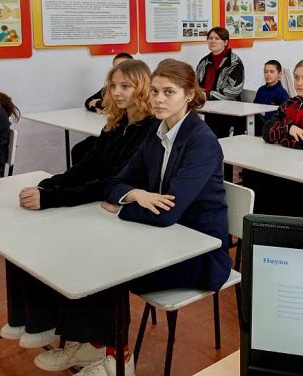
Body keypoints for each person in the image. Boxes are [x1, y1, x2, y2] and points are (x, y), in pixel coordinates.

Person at [32, 59, 231, 376]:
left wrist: (122, 207)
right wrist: (136, 194)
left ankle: (118, 358)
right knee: (85, 252)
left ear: (189, 95)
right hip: (162, 239)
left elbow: (167, 214)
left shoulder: (201, 141)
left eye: (169, 92)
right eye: (154, 91)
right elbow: (116, 182)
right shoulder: (157, 132)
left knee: (108, 269)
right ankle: (94, 342)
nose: (159, 99)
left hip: (200, 253)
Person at [0, 59, 157, 349]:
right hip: (102, 203)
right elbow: (88, 166)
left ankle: (73, 333)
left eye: (125, 86)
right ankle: (32, 318)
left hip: (125, 211)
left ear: (143, 88)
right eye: (113, 86)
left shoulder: (151, 130)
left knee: (72, 244)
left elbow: (112, 182)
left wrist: (51, 198)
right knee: (25, 230)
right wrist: (49, 185)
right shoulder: (117, 123)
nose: (117, 92)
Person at [243, 58, 303, 215]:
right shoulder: (291, 102)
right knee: (252, 174)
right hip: (284, 160)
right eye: (296, 78)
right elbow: (266, 131)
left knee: (276, 188)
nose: (299, 83)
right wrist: (289, 129)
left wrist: (279, 133)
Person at [72, 52, 135, 165]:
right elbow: (88, 101)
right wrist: (100, 104)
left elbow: (115, 106)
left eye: (123, 66)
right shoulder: (110, 88)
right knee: (79, 149)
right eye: (115, 67)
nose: (116, 93)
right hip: (113, 130)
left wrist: (100, 104)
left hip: (124, 136)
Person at [195, 26, 245, 141]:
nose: (212, 41)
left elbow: (234, 90)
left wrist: (208, 95)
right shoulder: (204, 62)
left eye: (217, 38)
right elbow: (195, 83)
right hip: (205, 107)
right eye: (210, 38)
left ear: (225, 42)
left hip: (227, 111)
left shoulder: (234, 62)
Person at [252, 59, 290, 134]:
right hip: (256, 122)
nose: (268, 74)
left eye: (272, 72)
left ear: (279, 74)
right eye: (265, 72)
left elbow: (285, 113)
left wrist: (265, 114)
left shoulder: (281, 92)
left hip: (270, 127)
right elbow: (254, 106)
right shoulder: (261, 89)